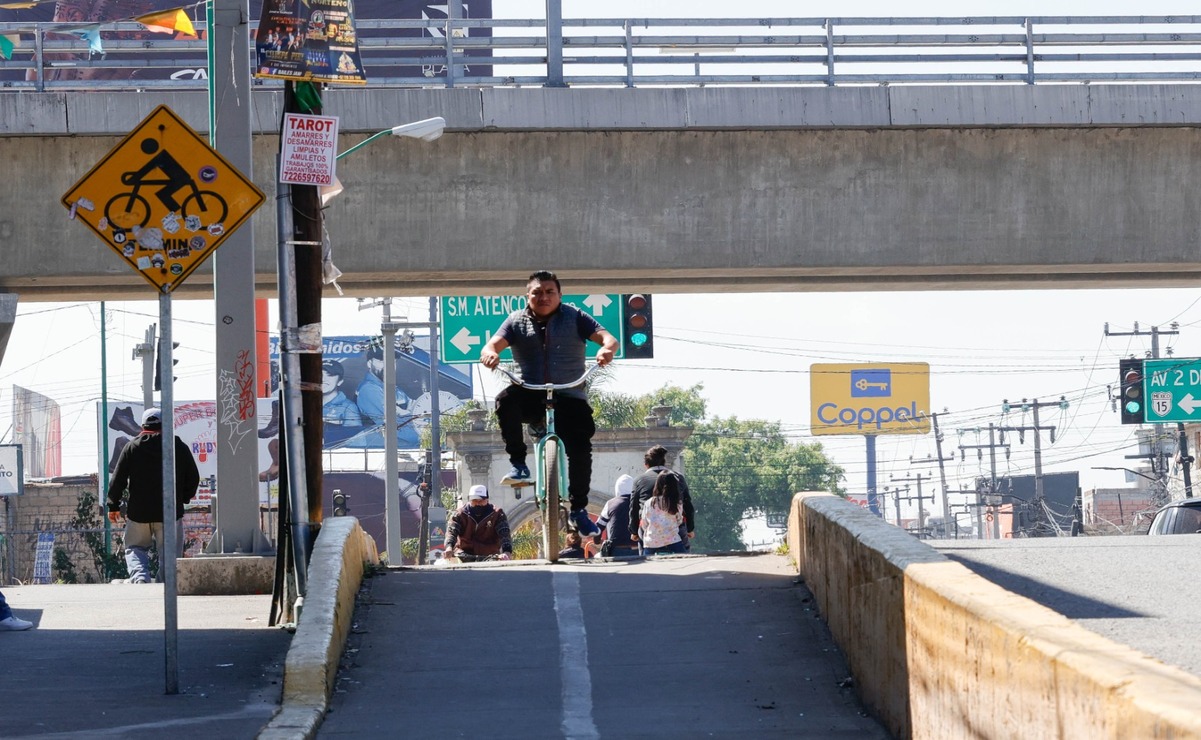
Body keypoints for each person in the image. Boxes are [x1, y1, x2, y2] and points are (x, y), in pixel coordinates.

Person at [479, 270, 618, 536]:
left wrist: (605, 349)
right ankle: (519, 464)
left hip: (569, 393)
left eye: (549, 292)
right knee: (505, 401)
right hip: (529, 391)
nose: (543, 297)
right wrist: (489, 355)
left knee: (580, 447)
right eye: (537, 292)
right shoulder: (515, 321)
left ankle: (578, 509)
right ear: (527, 296)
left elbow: (609, 339)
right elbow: (491, 346)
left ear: (559, 295)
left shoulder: (575, 317)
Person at [106, 408, 201, 584]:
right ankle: (165, 583)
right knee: (170, 553)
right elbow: (193, 478)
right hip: (170, 512)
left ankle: (140, 577)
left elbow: (118, 479)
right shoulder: (177, 446)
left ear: (143, 425)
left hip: (139, 512)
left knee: (135, 547)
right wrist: (182, 499)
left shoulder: (132, 446)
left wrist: (113, 505)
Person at [629, 445, 696, 552]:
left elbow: (634, 507)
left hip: (650, 532)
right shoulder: (677, 477)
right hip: (675, 531)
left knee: (646, 560)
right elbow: (687, 504)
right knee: (683, 556)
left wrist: (634, 532)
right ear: (664, 461)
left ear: (646, 465)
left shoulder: (639, 480)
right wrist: (690, 529)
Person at [356, 341, 417, 447]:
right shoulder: (368, 389)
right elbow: (392, 424)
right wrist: (425, 435)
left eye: (392, 362)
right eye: (381, 361)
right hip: (377, 452)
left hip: (400, 449)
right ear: (369, 364)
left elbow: (416, 407)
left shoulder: (393, 389)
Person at [444, 485, 513, 562]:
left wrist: (507, 551)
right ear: (469, 500)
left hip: (490, 556)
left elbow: (504, 534)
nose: (478, 504)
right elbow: (451, 532)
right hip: (464, 555)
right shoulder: (459, 514)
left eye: (481, 501)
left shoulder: (497, 514)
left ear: (487, 500)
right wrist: (449, 547)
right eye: (474, 501)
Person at [637, 471, 688, 555]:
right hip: (672, 541)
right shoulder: (676, 503)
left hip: (651, 543)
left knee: (646, 565)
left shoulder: (649, 503)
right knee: (684, 558)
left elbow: (644, 524)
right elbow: (679, 521)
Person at [595, 473, 638, 558]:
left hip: (617, 550)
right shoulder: (639, 503)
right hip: (638, 549)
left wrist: (597, 541)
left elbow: (599, 526)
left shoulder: (610, 503)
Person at [321, 359, 363, 426]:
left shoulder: (348, 407)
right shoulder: (307, 403)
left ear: (340, 382)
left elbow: (355, 435)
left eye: (329, 375)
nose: (323, 379)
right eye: (320, 374)